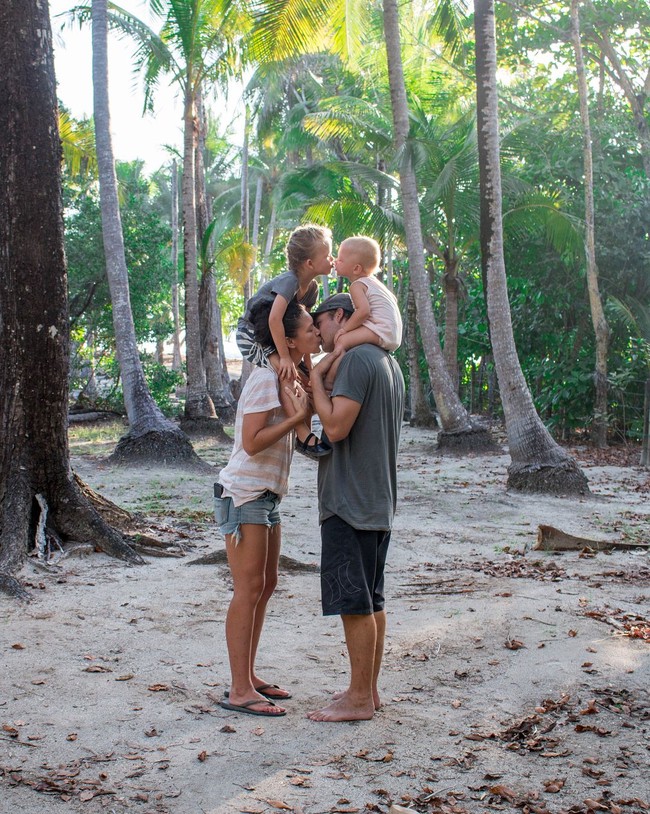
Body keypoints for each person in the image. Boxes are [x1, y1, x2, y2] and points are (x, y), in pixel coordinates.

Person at [216, 299, 322, 717]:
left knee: (267, 584)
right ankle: (239, 689)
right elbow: (251, 442)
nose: (317, 333)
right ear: (288, 339)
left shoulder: (287, 376)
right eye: (310, 328)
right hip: (244, 494)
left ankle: (248, 675)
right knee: (248, 589)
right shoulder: (263, 378)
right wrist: (297, 417)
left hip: (267, 496)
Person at [307, 293, 405, 722]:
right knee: (372, 599)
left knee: (355, 603)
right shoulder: (387, 361)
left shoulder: (356, 360)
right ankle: (368, 689)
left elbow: (335, 426)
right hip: (376, 499)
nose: (318, 331)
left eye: (320, 322)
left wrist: (315, 379)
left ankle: (360, 698)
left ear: (339, 316)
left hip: (350, 502)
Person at [236, 223, 334, 459]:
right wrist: (283, 357)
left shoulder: (311, 289)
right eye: (327, 255)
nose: (332, 259)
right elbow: (274, 319)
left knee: (302, 375)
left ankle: (306, 429)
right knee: (285, 372)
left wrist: (307, 364)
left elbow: (302, 328)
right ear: (309, 263)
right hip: (252, 334)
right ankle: (303, 436)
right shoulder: (290, 281)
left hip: (272, 335)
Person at [332, 236, 402, 354]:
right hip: (392, 333)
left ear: (356, 268)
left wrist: (344, 329)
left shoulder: (357, 285)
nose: (335, 261)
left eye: (340, 260)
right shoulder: (374, 283)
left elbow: (363, 311)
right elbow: (393, 299)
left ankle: (327, 366)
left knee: (342, 341)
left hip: (381, 330)